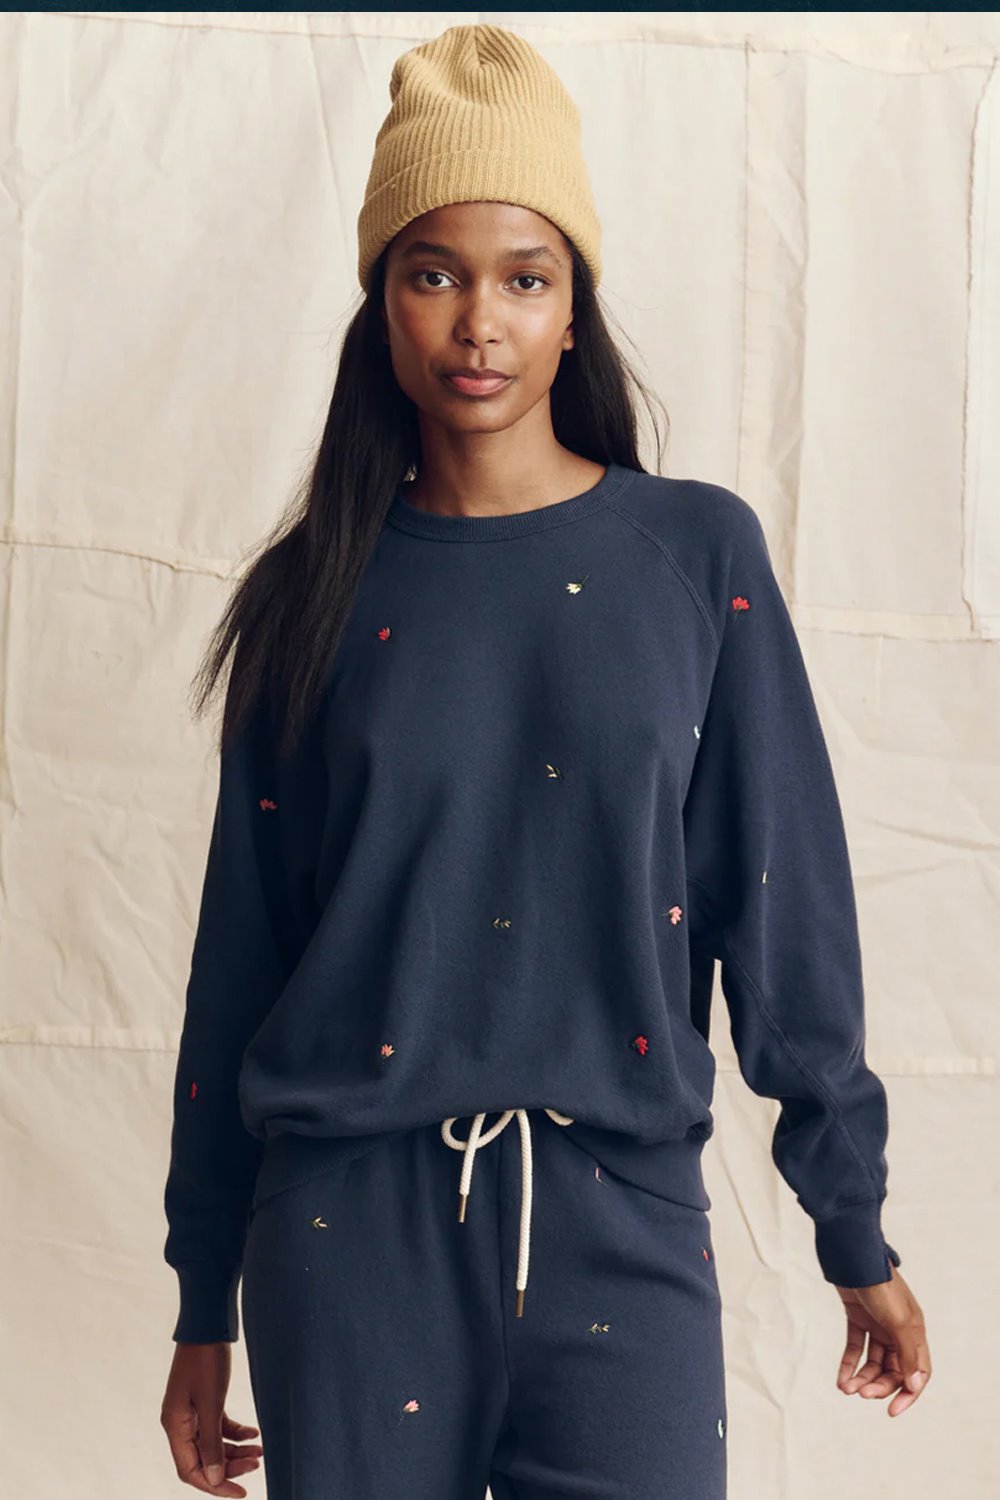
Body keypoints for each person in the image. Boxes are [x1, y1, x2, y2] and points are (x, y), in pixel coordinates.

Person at [158, 22, 930, 1500]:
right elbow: (239, 959)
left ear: (576, 311)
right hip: (345, 1231)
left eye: (525, 278)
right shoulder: (311, 594)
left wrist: (854, 1226)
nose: (479, 322)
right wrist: (204, 1300)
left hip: (621, 1216)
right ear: (381, 304)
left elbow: (781, 912)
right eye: (432, 273)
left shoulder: (694, 556)